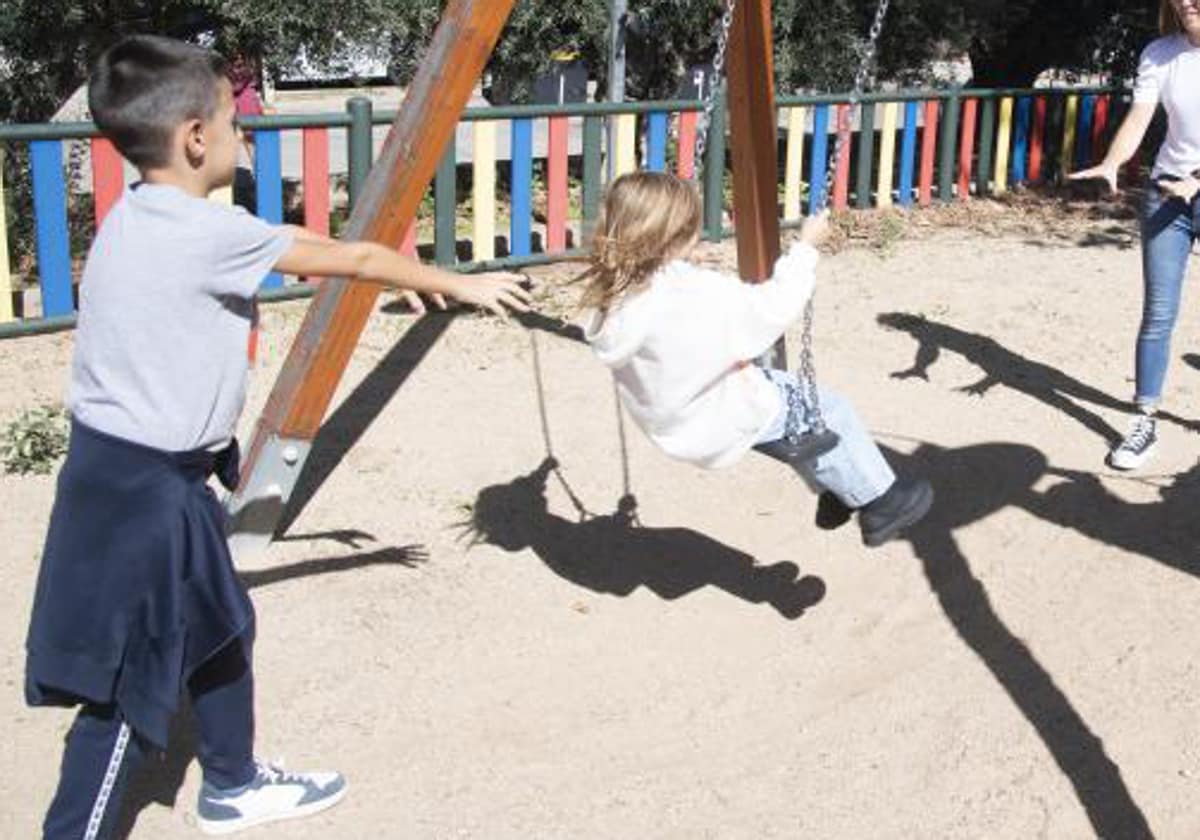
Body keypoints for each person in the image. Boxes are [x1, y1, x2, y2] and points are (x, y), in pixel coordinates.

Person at [26, 35, 531, 839]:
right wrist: (458, 281)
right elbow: (356, 257)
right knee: (124, 694)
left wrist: (226, 466)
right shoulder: (206, 233)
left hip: (134, 476)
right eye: (234, 119)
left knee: (223, 619)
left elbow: (149, 361)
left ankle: (230, 782)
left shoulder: (132, 221)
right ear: (195, 138)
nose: (243, 132)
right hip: (143, 494)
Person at [577, 171, 933, 547]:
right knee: (830, 410)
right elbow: (772, 307)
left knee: (795, 402)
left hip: (673, 418)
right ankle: (881, 503)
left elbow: (668, 306)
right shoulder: (696, 292)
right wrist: (806, 249)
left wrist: (683, 261)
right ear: (676, 235)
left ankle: (837, 491)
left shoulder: (615, 291)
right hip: (724, 411)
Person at [1070, 0, 1200, 470]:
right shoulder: (1160, 53)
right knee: (1159, 313)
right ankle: (1145, 421)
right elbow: (1140, 118)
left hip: (1195, 185)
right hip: (1168, 194)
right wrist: (1112, 161)